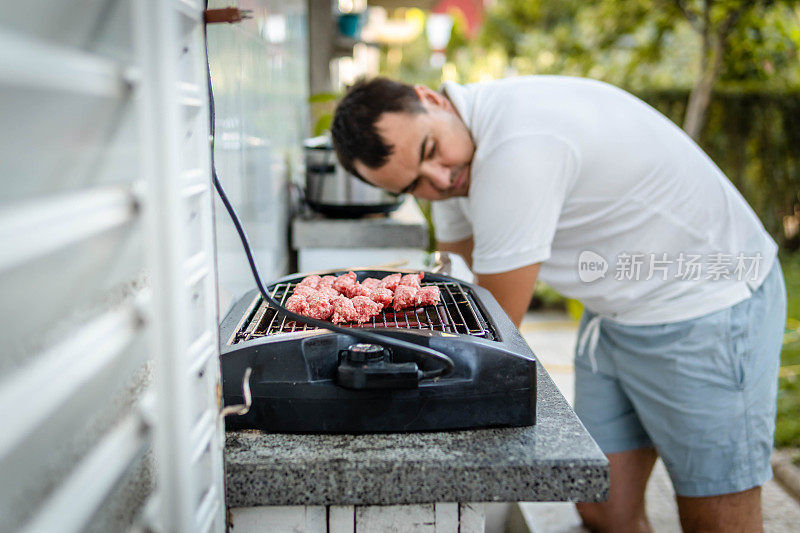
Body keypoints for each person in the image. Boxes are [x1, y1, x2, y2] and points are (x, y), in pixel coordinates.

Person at [331, 76, 787, 532]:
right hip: (615, 312)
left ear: (431, 99)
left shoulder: (516, 146)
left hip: (708, 305)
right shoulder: (458, 158)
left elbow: (495, 329)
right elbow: (463, 281)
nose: (441, 179)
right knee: (603, 506)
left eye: (430, 152)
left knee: (717, 517)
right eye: (415, 185)